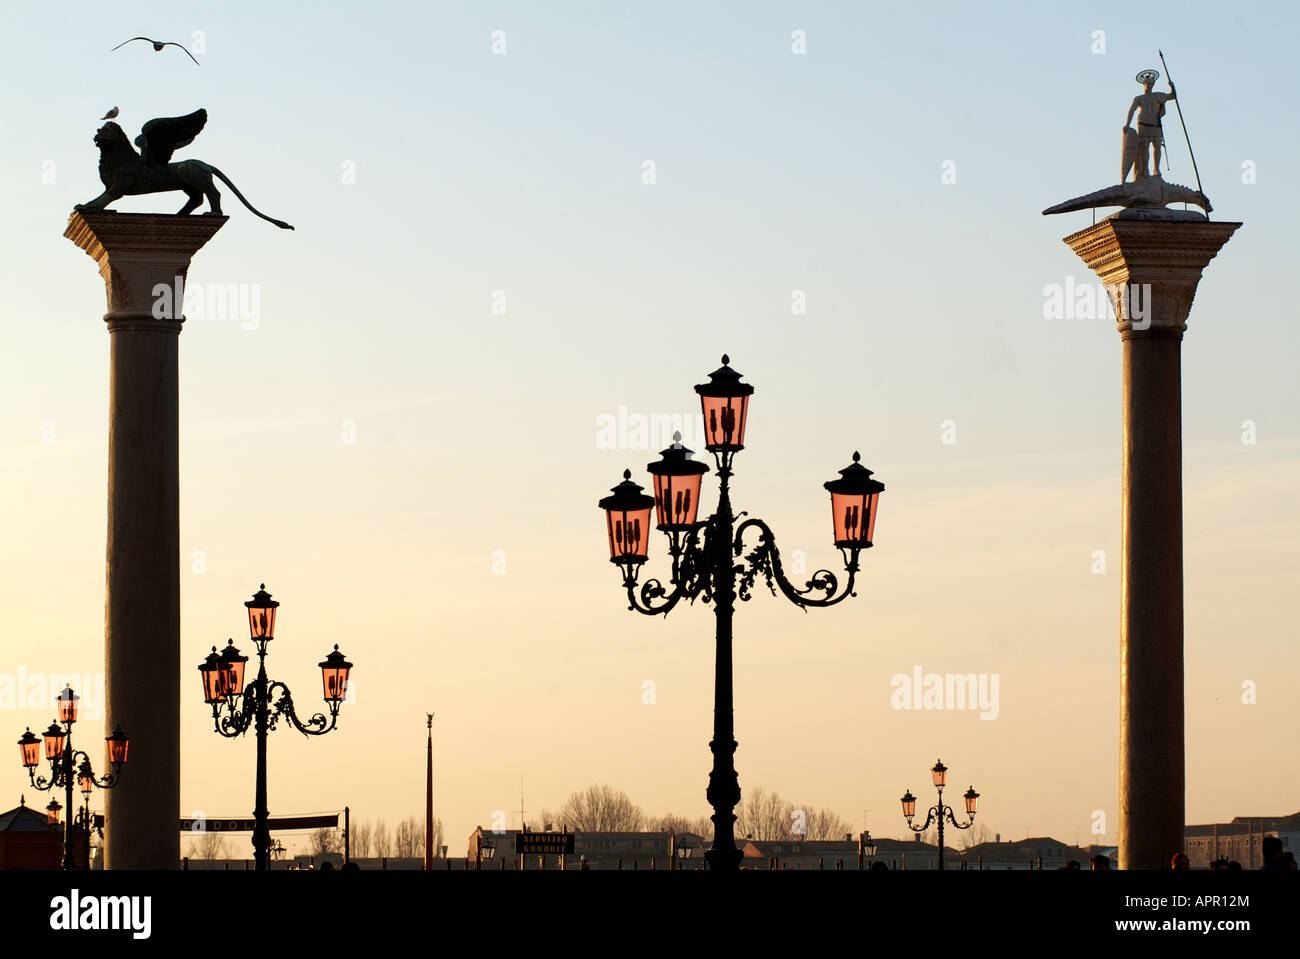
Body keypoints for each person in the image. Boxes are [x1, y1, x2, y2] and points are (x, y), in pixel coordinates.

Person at [1124, 69, 1176, 180]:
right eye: (1148, 83)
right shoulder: (1139, 98)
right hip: (1143, 123)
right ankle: (1145, 169)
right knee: (1144, 147)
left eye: (1152, 83)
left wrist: (1172, 87)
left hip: (1155, 124)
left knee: (1157, 146)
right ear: (1144, 84)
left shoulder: (1158, 96)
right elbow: (1132, 110)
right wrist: (1127, 124)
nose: (1150, 85)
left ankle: (1156, 169)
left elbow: (1172, 96)